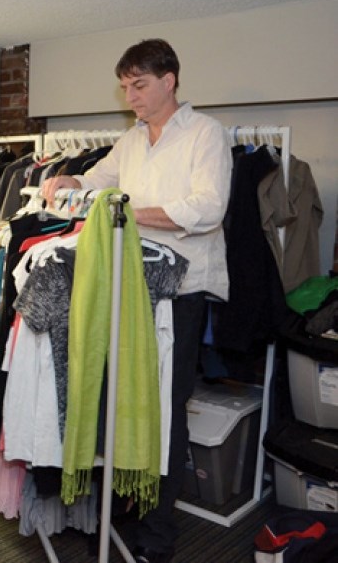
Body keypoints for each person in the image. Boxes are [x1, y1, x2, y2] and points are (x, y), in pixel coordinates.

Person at [42, 38, 232, 563]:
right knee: (122, 400)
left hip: (184, 291)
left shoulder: (206, 135)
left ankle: (158, 533)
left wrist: (124, 209)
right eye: (125, 86)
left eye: (139, 85)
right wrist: (69, 180)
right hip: (131, 287)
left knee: (166, 410)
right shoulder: (130, 142)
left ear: (169, 79)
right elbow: (96, 182)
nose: (131, 96)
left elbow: (207, 207)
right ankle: (122, 504)